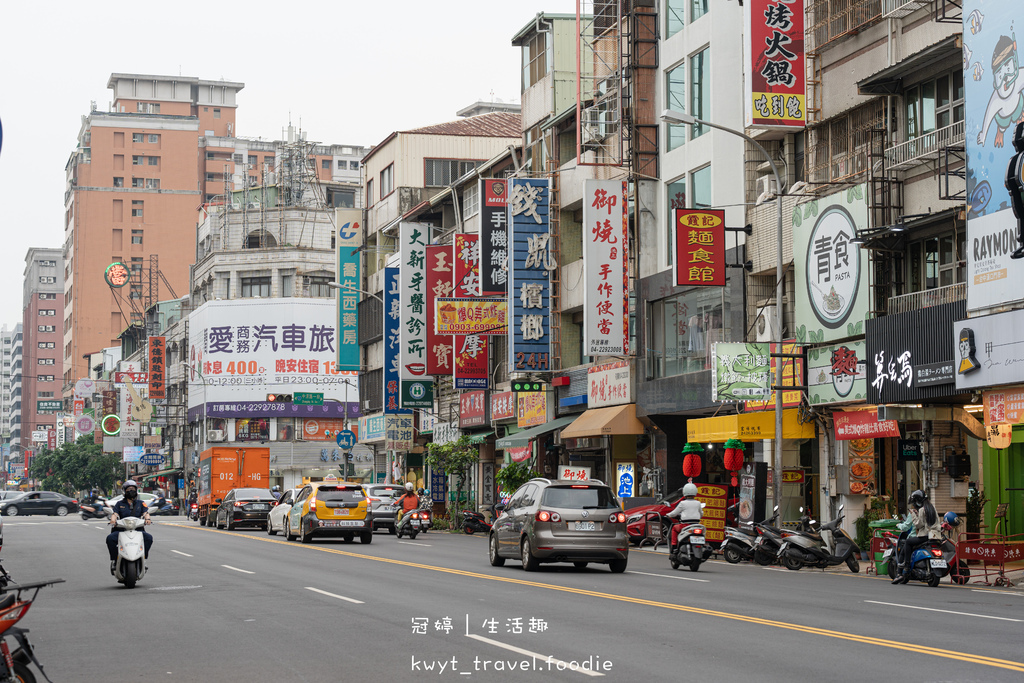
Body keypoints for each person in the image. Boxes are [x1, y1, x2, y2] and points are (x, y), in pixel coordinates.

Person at [892, 489, 941, 584]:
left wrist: (913, 515)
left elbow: (918, 525)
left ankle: (906, 566)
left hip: (925, 535)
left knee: (908, 542)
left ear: (917, 501)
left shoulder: (922, 510)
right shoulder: (932, 508)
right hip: (936, 536)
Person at [106, 480, 153, 575]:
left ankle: (144, 558)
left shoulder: (141, 503)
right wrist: (113, 520)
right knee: (110, 538)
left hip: (137, 529)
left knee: (148, 538)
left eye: (133, 489)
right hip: (122, 530)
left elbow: (146, 513)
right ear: (124, 491)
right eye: (129, 489)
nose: (131, 491)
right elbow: (115, 513)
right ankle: (115, 560)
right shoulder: (119, 504)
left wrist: (148, 519)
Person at [666, 481, 703, 554]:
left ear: (684, 492)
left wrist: (668, 515)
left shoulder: (683, 503)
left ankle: (674, 546)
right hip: (696, 525)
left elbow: (674, 513)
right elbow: (701, 514)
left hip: (685, 526)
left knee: (674, 528)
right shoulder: (698, 503)